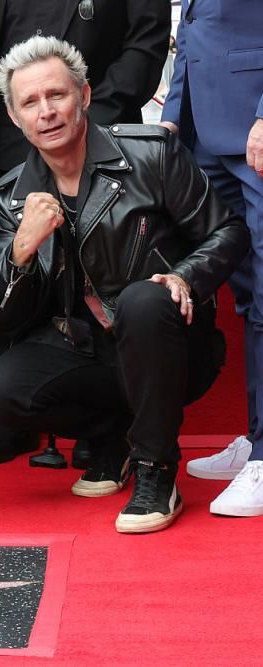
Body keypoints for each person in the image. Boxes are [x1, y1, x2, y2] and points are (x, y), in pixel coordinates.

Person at [0, 36, 248, 533]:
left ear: (84, 95)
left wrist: (185, 276)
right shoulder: (9, 196)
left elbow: (228, 231)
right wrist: (21, 250)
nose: (46, 111)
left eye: (56, 94)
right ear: (15, 117)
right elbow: (1, 316)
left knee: (143, 298)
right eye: (30, 102)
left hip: (169, 345)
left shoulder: (151, 154)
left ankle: (156, 470)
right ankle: (114, 435)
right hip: (88, 353)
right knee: (0, 390)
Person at [0, 0, 171, 467]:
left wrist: (88, 111)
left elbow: (146, 37)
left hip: (101, 118)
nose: (46, 109)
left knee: (130, 291)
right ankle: (74, 421)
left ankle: (128, 432)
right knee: (20, 278)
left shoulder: (152, 154)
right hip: (6, 132)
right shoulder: (9, 173)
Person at [161, 1, 263, 517]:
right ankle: (258, 436)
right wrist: (171, 120)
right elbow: (193, 27)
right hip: (207, 134)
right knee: (250, 297)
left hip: (255, 129)